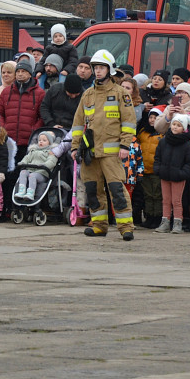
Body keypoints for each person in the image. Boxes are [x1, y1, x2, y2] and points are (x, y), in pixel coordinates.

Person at [71, 50, 137, 240]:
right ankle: (99, 225)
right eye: (96, 68)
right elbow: (77, 123)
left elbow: (129, 122)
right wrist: (75, 148)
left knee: (116, 190)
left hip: (112, 153)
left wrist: (125, 145)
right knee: (93, 190)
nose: (98, 71)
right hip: (90, 153)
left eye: (101, 68)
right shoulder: (88, 95)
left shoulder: (121, 94)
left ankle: (126, 227)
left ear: (110, 69)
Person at [152, 112, 190, 234]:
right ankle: (165, 222)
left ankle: (177, 223)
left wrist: (182, 174)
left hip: (178, 177)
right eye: (174, 124)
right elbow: (157, 157)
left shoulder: (188, 145)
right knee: (165, 200)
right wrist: (158, 169)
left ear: (184, 128)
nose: (175, 127)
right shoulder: (163, 141)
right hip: (165, 175)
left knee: (176, 201)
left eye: (179, 125)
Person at [136, 106, 164, 228]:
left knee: (157, 194)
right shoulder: (142, 132)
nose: (152, 120)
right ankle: (149, 216)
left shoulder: (162, 134)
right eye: (151, 117)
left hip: (156, 169)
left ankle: (157, 217)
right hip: (144, 168)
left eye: (155, 117)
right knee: (147, 194)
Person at [15, 129, 60, 200]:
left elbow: (51, 161)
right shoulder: (33, 151)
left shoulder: (51, 152)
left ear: (50, 143)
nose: (41, 142)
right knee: (23, 172)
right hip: (30, 170)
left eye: (44, 140)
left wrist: (44, 165)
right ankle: (21, 191)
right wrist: (23, 163)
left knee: (32, 176)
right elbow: (27, 158)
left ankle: (30, 193)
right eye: (40, 140)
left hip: (42, 173)